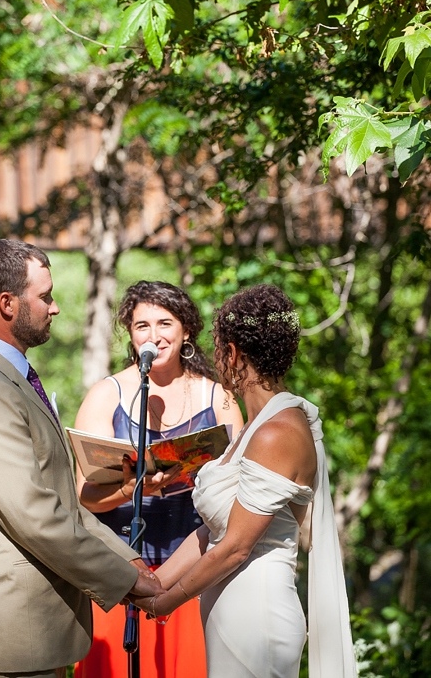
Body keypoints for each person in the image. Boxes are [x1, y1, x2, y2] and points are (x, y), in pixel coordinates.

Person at [0, 239, 162, 678]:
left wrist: (125, 555)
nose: (54, 307)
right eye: (45, 296)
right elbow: (35, 514)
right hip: (15, 635)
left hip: (38, 631)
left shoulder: (9, 378)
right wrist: (125, 578)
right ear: (7, 304)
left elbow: (58, 497)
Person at [133, 283, 358, 678]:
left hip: (258, 619)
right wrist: (153, 581)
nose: (216, 361)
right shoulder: (252, 428)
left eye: (218, 350)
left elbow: (236, 547)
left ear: (233, 353)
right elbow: (215, 531)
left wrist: (166, 603)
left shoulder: (278, 432)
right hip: (231, 612)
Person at [74, 280, 244, 678]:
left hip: (194, 573)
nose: (154, 336)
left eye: (165, 324)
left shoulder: (219, 398)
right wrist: (131, 488)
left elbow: (239, 488)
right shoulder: (106, 395)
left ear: (185, 330)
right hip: (121, 575)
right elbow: (84, 495)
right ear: (131, 335)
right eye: (142, 326)